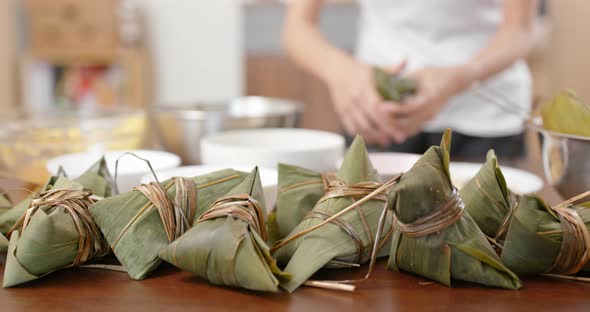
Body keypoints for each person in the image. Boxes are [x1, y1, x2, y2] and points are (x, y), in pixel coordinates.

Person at [283, 0, 538, 157]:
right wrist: (340, 71)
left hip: (485, 119)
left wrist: (459, 78)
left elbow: (519, 29)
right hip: (377, 115)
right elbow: (298, 27)